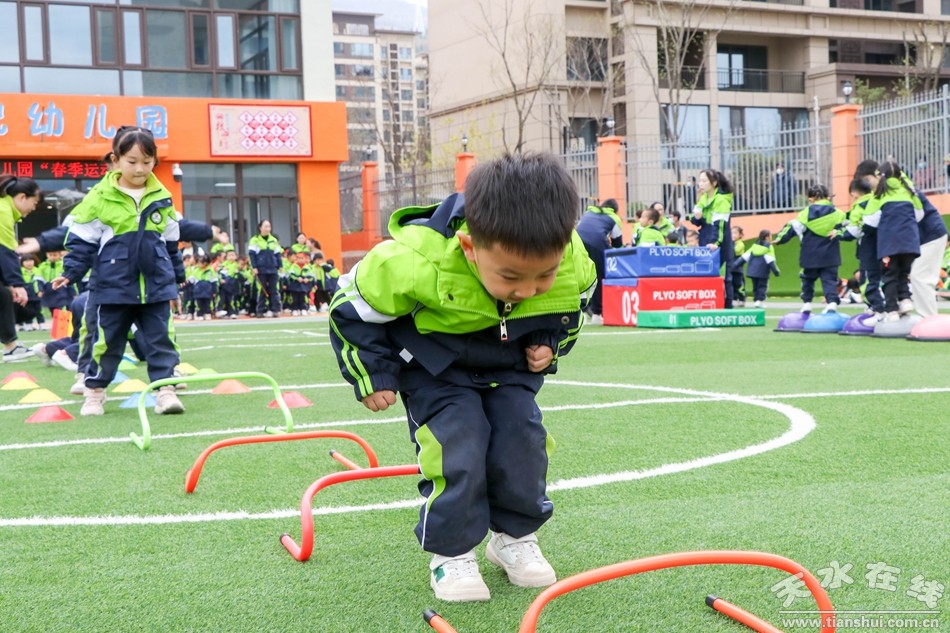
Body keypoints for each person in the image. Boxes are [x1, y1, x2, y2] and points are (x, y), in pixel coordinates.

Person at [328, 152, 596, 603]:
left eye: (543, 275)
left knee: (523, 441)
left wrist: (550, 343)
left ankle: (513, 538)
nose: (528, 290)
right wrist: (373, 373)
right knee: (458, 444)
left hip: (508, 366)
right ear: (470, 247)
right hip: (436, 370)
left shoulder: (571, 259)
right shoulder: (415, 258)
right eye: (511, 276)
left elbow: (573, 305)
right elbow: (349, 308)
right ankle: (450, 553)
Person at [50, 127, 185, 416]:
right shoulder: (99, 197)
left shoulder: (163, 197)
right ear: (116, 159)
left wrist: (177, 279)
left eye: (147, 162)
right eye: (132, 161)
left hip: (156, 286)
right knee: (106, 343)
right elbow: (81, 242)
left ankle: (166, 390)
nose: (140, 169)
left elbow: (171, 244)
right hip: (112, 287)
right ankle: (94, 393)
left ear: (155, 162)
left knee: (161, 340)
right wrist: (71, 272)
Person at [862, 161, 921, 321]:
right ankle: (906, 300)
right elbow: (919, 214)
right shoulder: (909, 192)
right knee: (903, 273)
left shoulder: (880, 194)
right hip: (910, 243)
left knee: (889, 276)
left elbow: (869, 221)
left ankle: (891, 310)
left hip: (889, 244)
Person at [773, 184, 845, 313]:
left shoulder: (806, 213)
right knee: (829, 280)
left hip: (810, 254)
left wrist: (780, 239)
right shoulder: (838, 213)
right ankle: (832, 303)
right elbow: (848, 227)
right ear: (827, 197)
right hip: (831, 255)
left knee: (807, 279)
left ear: (811, 199)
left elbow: (792, 227)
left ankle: (807, 303)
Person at [0, 174, 41, 361]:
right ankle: (11, 346)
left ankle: (11, 346)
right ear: (22, 197)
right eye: (34, 202)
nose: (34, 207)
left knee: (3, 294)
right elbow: (5, 251)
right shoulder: (2, 211)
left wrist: (10, 284)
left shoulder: (6, 209)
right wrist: (17, 284)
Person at [838, 170, 885, 319]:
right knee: (882, 279)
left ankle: (878, 309)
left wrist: (838, 234)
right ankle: (879, 307)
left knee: (866, 281)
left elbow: (854, 231)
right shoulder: (878, 200)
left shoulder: (859, 206)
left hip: (869, 248)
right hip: (884, 245)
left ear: (853, 194)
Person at [692, 169, 736, 308]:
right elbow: (695, 221)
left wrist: (716, 242)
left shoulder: (722, 200)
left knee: (724, 276)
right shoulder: (703, 198)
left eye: (704, 181)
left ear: (714, 183)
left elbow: (721, 225)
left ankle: (727, 306)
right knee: (705, 274)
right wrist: (696, 218)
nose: (701, 184)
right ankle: (708, 305)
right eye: (700, 180)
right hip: (705, 237)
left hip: (720, 240)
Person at [575, 198, 623, 324]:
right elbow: (618, 243)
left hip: (577, 242)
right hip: (597, 244)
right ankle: (597, 313)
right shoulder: (613, 218)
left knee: (581, 275)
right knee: (598, 276)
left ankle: (582, 312)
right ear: (615, 210)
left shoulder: (588, 213)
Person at [734, 229, 780, 308]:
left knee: (755, 286)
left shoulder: (754, 246)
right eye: (770, 236)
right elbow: (770, 260)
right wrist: (776, 271)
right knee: (762, 286)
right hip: (763, 271)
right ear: (767, 237)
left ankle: (756, 300)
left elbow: (744, 257)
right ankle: (760, 300)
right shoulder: (769, 247)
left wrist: (734, 265)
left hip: (752, 271)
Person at [248, 219, 282, 317]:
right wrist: (254, 267)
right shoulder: (255, 240)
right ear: (260, 228)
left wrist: (280, 266)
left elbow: (277, 254)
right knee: (262, 290)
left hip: (272, 268)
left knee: (274, 290)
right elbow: (252, 255)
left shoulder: (273, 240)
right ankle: (260, 311)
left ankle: (275, 310)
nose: (268, 229)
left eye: (269, 226)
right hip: (261, 268)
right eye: (266, 226)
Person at [731, 226, 746, 306]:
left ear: (740, 235)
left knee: (739, 284)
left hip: (738, 268)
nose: (733, 235)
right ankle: (734, 298)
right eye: (732, 233)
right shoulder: (730, 243)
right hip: (731, 268)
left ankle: (742, 299)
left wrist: (732, 243)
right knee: (731, 284)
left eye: (735, 233)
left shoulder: (740, 244)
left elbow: (736, 251)